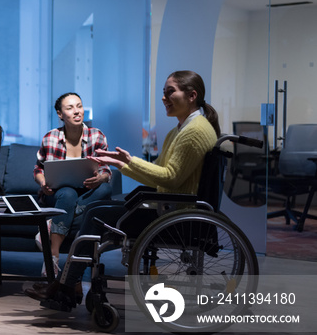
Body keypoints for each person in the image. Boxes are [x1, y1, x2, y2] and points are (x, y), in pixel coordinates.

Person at [26, 70, 221, 310]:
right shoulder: (181, 129)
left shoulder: (194, 131)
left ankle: (65, 285)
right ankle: (66, 284)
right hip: (169, 205)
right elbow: (160, 171)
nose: (163, 98)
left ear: (192, 96)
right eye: (163, 92)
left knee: (96, 213)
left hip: (174, 212)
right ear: (60, 114)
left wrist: (126, 163)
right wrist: (124, 164)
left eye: (170, 91)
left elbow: (169, 178)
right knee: (95, 208)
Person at [33, 92, 113, 276]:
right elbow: (38, 170)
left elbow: (106, 170)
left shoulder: (97, 136)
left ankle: (52, 223)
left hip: (86, 192)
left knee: (106, 188)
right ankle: (53, 256)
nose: (77, 111)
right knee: (68, 193)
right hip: (58, 194)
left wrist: (100, 178)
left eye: (79, 106)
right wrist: (43, 182)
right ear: (60, 114)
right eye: (70, 108)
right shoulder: (50, 137)